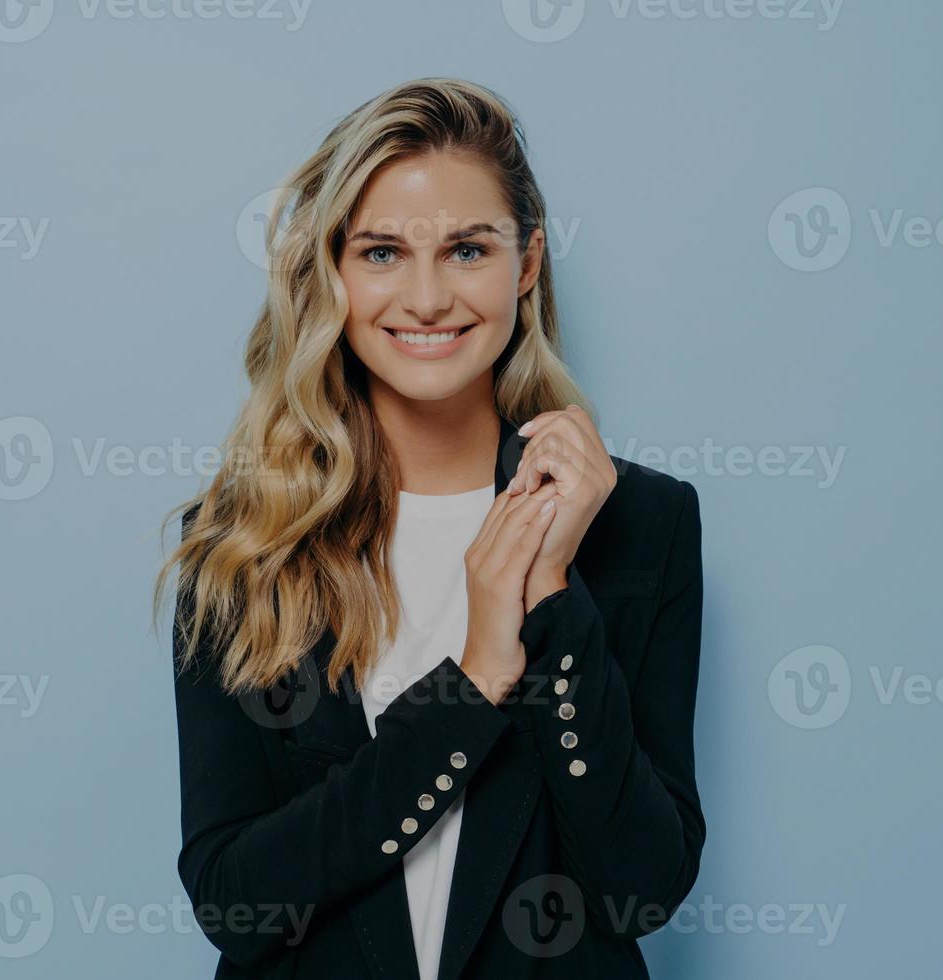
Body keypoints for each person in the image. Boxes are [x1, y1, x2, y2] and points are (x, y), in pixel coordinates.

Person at [153, 76, 705, 979]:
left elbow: (639, 884)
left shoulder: (643, 523)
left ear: (525, 265)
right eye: (380, 253)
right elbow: (234, 899)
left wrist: (554, 601)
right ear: (330, 270)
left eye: (466, 250)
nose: (426, 298)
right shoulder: (243, 541)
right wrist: (476, 681)